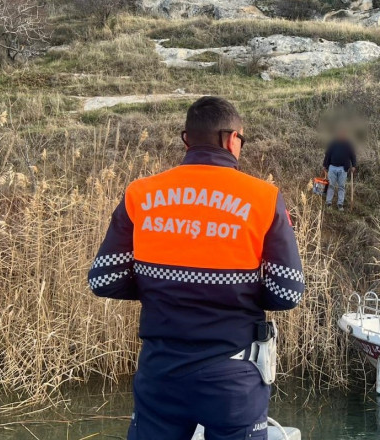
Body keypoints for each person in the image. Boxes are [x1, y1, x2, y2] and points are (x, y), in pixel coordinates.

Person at [88, 96, 305, 440]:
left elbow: (104, 278)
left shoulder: (141, 194)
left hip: (160, 374)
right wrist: (238, 291)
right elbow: (287, 290)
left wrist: (158, 286)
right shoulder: (262, 197)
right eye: (241, 140)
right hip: (232, 374)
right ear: (231, 138)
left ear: (187, 139)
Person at [322, 132, 357, 211]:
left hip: (343, 169)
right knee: (331, 185)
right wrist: (325, 165)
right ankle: (328, 203)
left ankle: (340, 204)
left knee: (341, 187)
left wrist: (354, 166)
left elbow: (353, 156)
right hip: (332, 168)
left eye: (343, 135)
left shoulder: (348, 145)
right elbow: (327, 155)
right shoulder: (333, 143)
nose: (341, 136)